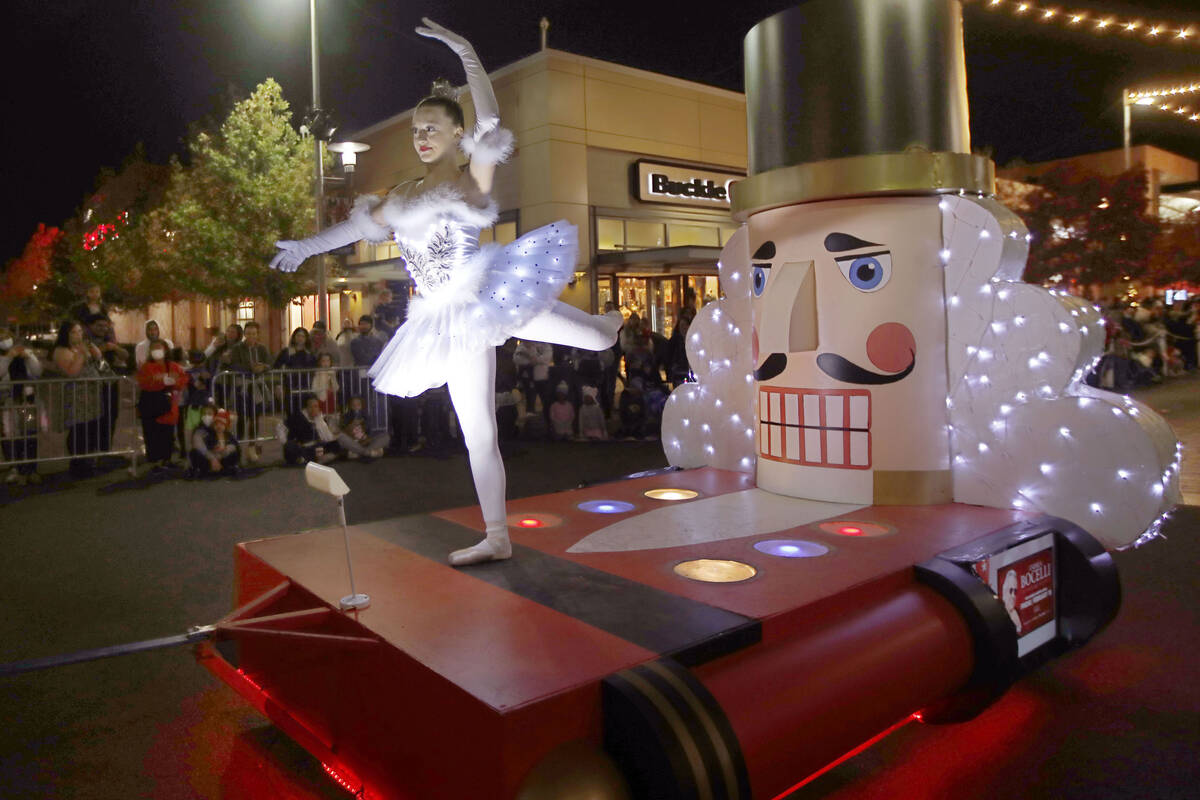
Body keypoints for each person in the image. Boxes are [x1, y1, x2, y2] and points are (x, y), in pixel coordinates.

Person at [270, 18, 622, 565]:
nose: (423, 136)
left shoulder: (469, 174)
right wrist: (305, 248)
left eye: (432, 127)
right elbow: (356, 228)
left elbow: (492, 117)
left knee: (597, 343)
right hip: (444, 319)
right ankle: (498, 536)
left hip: (486, 293)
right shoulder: (403, 196)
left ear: (456, 133)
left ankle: (610, 324)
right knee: (477, 433)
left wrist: (466, 50)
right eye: (417, 130)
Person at [52, 320, 107, 477]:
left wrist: (96, 354)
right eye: (74, 332)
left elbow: (99, 363)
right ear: (66, 334)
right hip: (75, 396)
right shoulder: (61, 351)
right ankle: (78, 464)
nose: (79, 335)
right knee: (78, 430)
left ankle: (89, 461)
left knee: (91, 428)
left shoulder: (83, 347)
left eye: (80, 331)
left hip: (92, 395)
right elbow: (72, 372)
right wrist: (82, 354)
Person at [136, 340, 189, 472]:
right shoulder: (146, 367)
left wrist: (171, 381)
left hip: (167, 404)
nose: (156, 350)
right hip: (150, 403)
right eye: (153, 348)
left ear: (165, 350)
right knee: (151, 431)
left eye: (159, 347)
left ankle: (166, 459)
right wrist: (162, 380)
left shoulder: (173, 365)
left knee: (167, 433)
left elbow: (182, 380)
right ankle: (154, 461)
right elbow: (144, 383)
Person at [1, 327, 43, 485]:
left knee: (30, 432)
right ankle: (15, 468)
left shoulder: (24, 352)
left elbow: (37, 371)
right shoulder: (4, 356)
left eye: (6, 336)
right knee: (10, 434)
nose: (4, 340)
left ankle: (31, 468)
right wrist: (8, 358)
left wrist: (29, 357)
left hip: (26, 400)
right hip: (7, 401)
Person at [229, 321, 272, 462]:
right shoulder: (237, 348)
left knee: (255, 417)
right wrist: (250, 368)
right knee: (242, 417)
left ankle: (252, 447)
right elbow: (234, 364)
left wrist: (263, 367)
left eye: (254, 333)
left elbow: (270, 363)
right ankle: (238, 446)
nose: (251, 336)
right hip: (243, 387)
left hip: (257, 387)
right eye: (248, 333)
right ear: (244, 334)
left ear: (258, 334)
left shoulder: (262, 348)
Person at [278, 394, 340, 466]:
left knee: (335, 444)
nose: (313, 409)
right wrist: (285, 442)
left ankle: (312, 460)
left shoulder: (319, 418)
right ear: (306, 408)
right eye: (311, 407)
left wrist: (319, 421)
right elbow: (280, 426)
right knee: (290, 448)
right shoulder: (298, 417)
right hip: (302, 447)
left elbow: (328, 437)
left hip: (315, 447)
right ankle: (309, 460)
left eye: (316, 406)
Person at [274, 326, 317, 415]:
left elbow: (314, 369)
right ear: (294, 337)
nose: (300, 338)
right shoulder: (286, 352)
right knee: (291, 413)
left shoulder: (309, 354)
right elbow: (276, 367)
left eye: (303, 336)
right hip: (289, 386)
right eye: (298, 336)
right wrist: (278, 385)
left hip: (305, 387)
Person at [189, 407, 241, 478]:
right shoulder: (200, 430)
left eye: (209, 414)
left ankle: (227, 467)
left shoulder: (224, 432)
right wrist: (212, 458)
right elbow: (200, 447)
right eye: (204, 414)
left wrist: (224, 450)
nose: (207, 416)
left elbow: (234, 445)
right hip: (209, 457)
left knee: (233, 453)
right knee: (194, 453)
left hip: (221, 456)